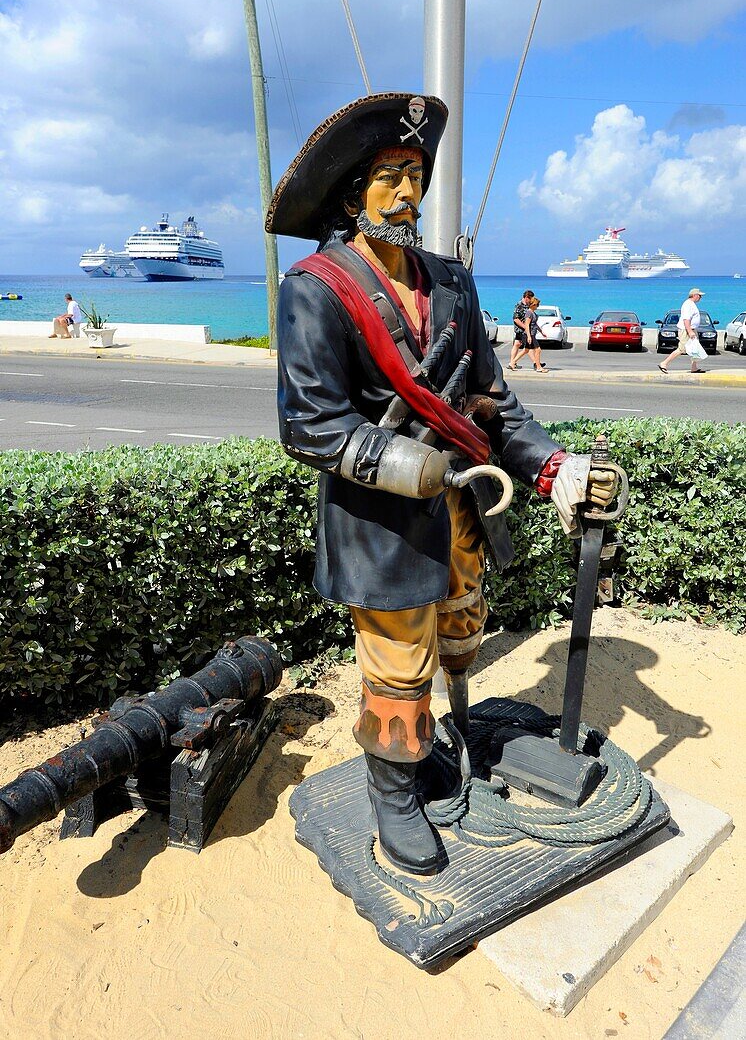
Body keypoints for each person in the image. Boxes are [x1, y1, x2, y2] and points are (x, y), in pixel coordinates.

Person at [269, 92, 618, 876]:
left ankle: (433, 750)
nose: (408, 193)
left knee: (461, 633)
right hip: (379, 524)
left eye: (415, 174)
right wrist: (412, 464)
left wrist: (556, 469)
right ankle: (393, 789)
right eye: (389, 175)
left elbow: (494, 406)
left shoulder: (453, 283)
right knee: (397, 666)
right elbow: (311, 425)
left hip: (463, 508)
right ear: (351, 192)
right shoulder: (316, 289)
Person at [659, 289, 707, 374]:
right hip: (686, 330)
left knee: (695, 348)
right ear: (694, 295)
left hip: (691, 329)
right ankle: (664, 363)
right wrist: (690, 331)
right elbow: (686, 319)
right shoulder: (688, 304)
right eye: (699, 295)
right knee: (681, 349)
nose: (700, 297)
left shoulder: (691, 304)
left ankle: (694, 367)